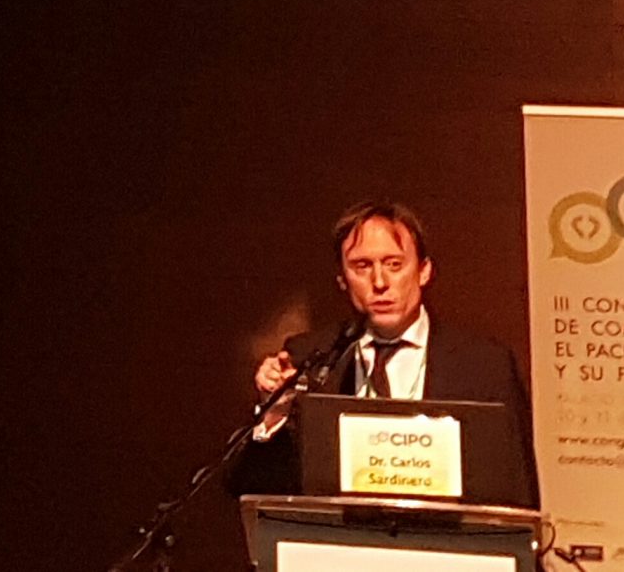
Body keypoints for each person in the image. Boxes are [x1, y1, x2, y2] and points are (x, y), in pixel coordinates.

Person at [230, 201, 538, 503]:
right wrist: (273, 414)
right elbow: (251, 486)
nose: (379, 282)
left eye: (394, 265)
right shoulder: (312, 357)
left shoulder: (485, 365)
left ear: (424, 271)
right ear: (342, 280)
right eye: (362, 267)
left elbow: (518, 491)